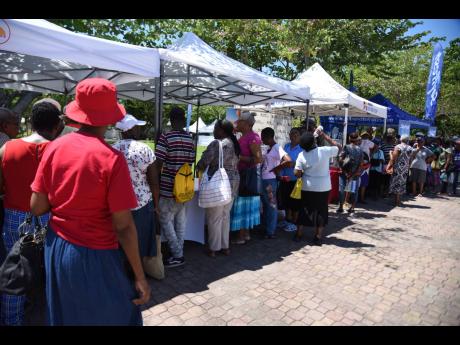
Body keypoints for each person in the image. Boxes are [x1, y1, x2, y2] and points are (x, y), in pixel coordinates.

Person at [30, 78, 150, 326]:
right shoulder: (111, 158)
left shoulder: (53, 148)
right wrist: (140, 276)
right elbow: (124, 226)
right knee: (120, 316)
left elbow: (37, 206)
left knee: (67, 317)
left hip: (57, 248)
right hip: (95, 253)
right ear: (110, 118)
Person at [0, 102, 62, 325]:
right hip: (50, 216)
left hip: (15, 218)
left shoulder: (7, 148)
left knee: (15, 272)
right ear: (56, 125)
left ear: (32, 123)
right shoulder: (59, 150)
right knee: (51, 269)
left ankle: (11, 320)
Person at [113, 114, 158, 275]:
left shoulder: (112, 149)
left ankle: (122, 272)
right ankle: (137, 273)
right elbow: (154, 181)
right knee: (140, 239)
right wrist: (157, 205)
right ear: (130, 130)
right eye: (137, 127)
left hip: (118, 204)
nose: (139, 129)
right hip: (142, 203)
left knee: (120, 240)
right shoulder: (144, 149)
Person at [154, 107, 195, 268]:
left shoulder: (166, 137)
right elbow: (191, 162)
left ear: (171, 120)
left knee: (165, 219)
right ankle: (179, 252)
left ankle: (177, 254)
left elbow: (158, 163)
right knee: (180, 221)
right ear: (183, 119)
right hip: (184, 187)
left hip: (168, 187)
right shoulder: (189, 139)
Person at [196, 120, 240, 257]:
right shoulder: (234, 143)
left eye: (215, 128)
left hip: (218, 185)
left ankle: (214, 248)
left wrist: (199, 166)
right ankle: (225, 247)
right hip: (232, 185)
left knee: (214, 218)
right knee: (225, 217)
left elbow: (203, 162)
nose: (213, 131)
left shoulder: (217, 144)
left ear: (222, 130)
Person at [293, 130, 341, 245]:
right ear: (314, 141)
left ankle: (299, 234)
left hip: (307, 187)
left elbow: (297, 173)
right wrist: (324, 135)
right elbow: (339, 147)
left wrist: (303, 172)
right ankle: (318, 237)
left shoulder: (301, 155)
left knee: (304, 209)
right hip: (323, 187)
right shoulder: (324, 151)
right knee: (321, 210)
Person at [230, 111, 262, 244]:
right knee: (245, 203)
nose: (238, 123)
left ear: (247, 123)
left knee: (243, 204)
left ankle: (241, 236)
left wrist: (239, 158)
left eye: (240, 121)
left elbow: (258, 159)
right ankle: (246, 234)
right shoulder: (245, 136)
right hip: (243, 174)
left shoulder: (253, 137)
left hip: (247, 175)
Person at [260, 127, 291, 239]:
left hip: (270, 181)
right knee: (267, 205)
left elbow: (288, 160)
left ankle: (270, 232)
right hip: (265, 180)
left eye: (263, 137)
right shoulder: (270, 148)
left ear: (269, 137)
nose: (262, 140)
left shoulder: (277, 148)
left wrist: (276, 169)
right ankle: (267, 228)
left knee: (271, 206)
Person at [278, 127, 303, 231]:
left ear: (300, 136)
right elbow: (282, 160)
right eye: (292, 133)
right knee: (286, 200)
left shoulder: (302, 148)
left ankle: (295, 222)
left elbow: (301, 164)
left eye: (296, 134)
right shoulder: (286, 146)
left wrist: (292, 163)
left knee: (295, 202)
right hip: (285, 179)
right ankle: (288, 220)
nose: (293, 135)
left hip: (296, 180)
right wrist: (281, 174)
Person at [337, 132, 363, 214]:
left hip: (344, 173)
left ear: (349, 138)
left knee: (342, 189)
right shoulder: (360, 150)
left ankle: (341, 207)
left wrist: (343, 169)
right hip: (355, 174)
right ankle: (352, 208)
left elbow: (340, 159)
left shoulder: (346, 147)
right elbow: (361, 163)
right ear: (357, 139)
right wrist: (355, 173)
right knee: (354, 190)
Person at [386, 135, 413, 206]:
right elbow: (411, 158)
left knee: (396, 182)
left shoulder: (398, 147)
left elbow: (393, 158)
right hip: (405, 168)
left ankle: (397, 201)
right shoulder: (410, 148)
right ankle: (398, 200)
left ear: (401, 140)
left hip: (398, 167)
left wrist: (390, 155)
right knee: (402, 183)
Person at [358, 131, 375, 203]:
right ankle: (362, 198)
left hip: (358, 164)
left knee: (356, 181)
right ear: (368, 136)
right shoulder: (369, 142)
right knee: (364, 183)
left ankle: (353, 198)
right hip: (366, 165)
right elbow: (376, 147)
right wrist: (371, 154)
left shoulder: (358, 141)